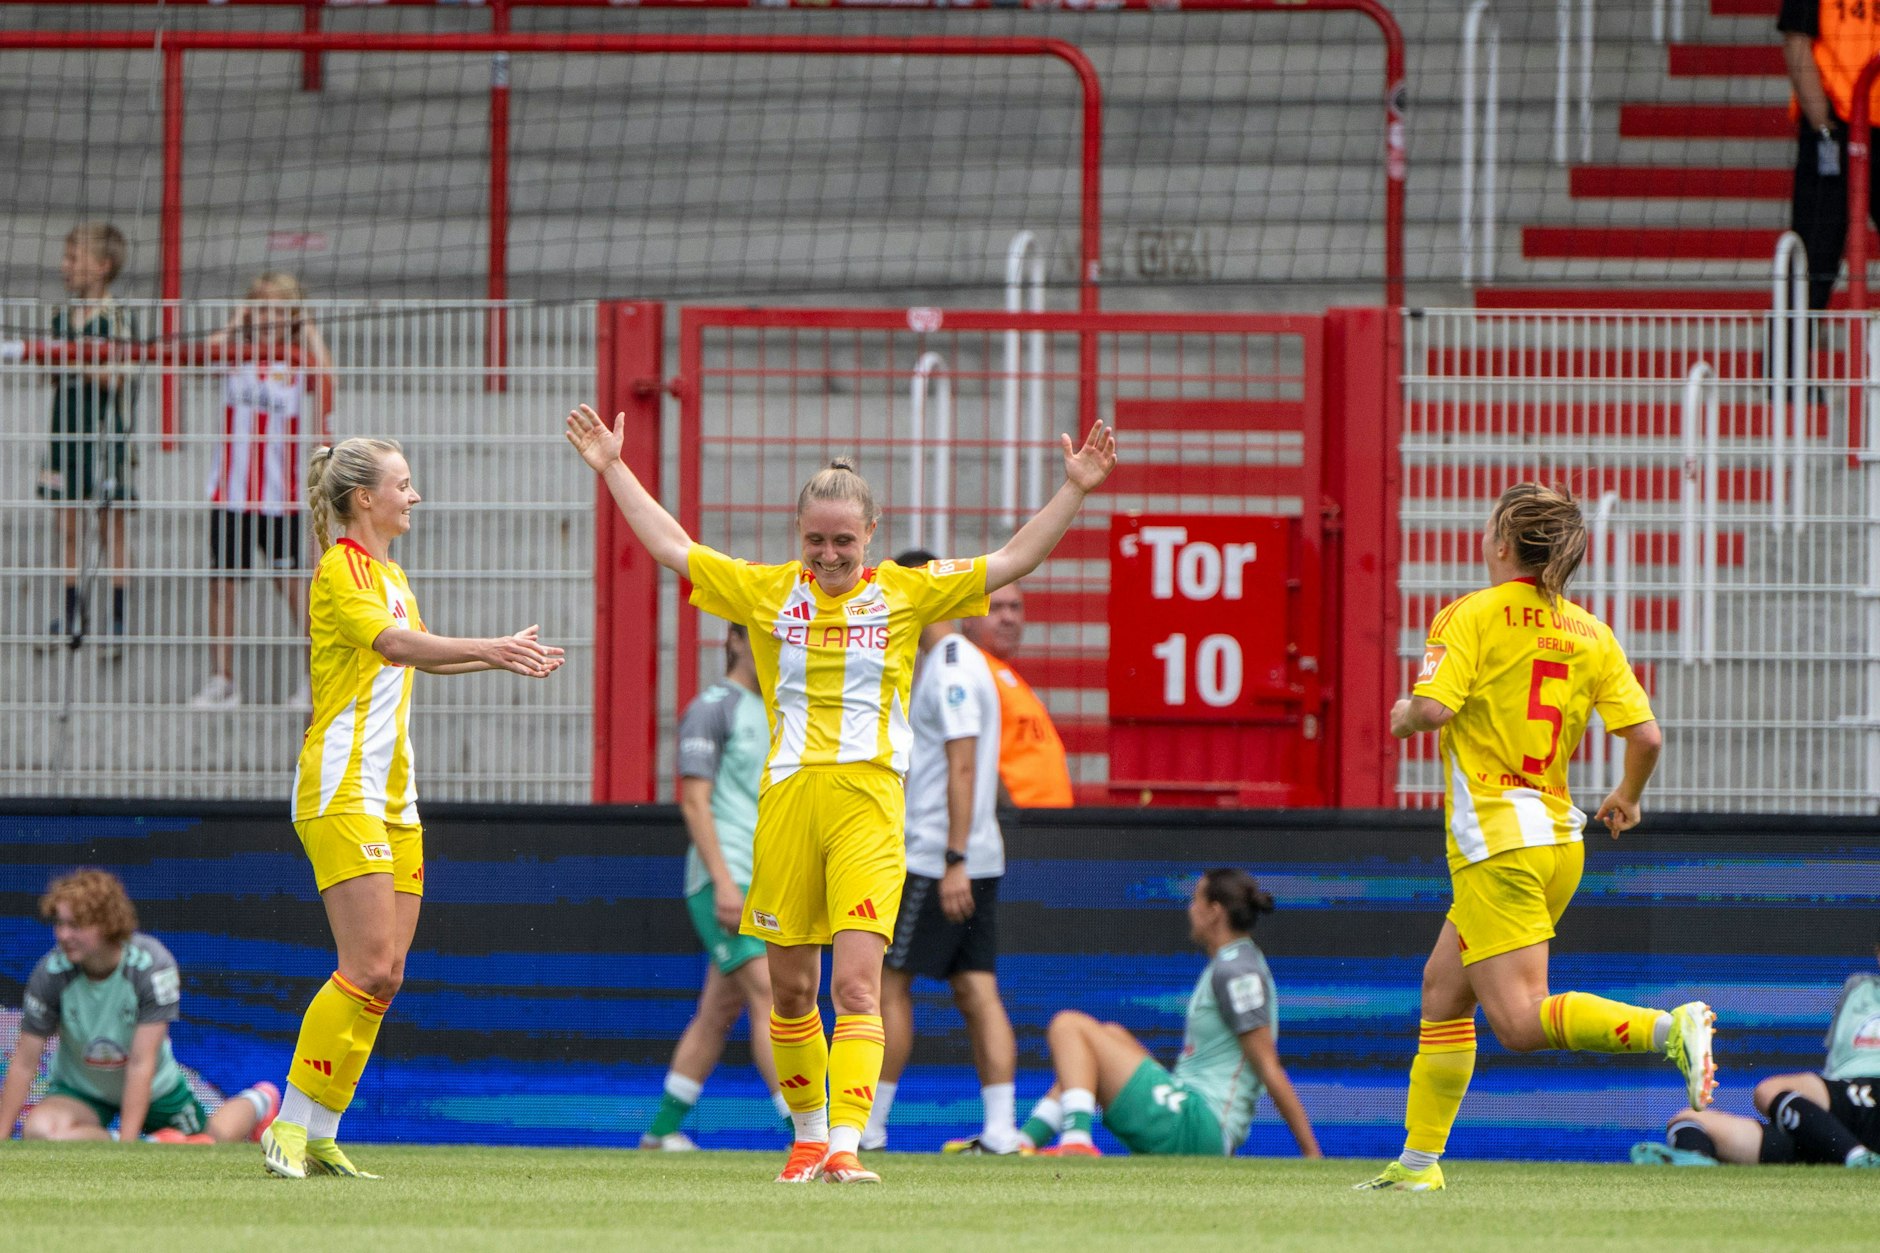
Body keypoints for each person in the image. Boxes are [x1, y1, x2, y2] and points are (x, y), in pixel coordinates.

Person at [564, 402, 1116, 1184]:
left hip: (869, 808)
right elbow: (672, 546)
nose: (829, 555)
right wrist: (614, 467)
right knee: (792, 992)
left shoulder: (907, 593)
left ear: (871, 535)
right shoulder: (764, 592)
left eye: (844, 541)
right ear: (799, 535)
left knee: (858, 983)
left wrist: (1076, 488)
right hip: (788, 806)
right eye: (816, 540)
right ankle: (808, 1138)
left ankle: (848, 1145)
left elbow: (1013, 558)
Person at [1356, 482, 1713, 1194]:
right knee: (1442, 990)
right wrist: (1627, 797)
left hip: (1498, 843)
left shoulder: (1469, 614)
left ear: (1500, 542)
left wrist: (1403, 716)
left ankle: (1668, 1028)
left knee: (1519, 1022)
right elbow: (1646, 736)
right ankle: (1419, 1166)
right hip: (1557, 841)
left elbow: (1432, 709)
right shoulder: (1589, 631)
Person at [262, 437, 564, 1180]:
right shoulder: (340, 568)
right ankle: (287, 1125)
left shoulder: (392, 574)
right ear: (365, 498)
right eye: (403, 484)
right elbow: (397, 643)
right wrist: (490, 646)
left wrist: (498, 655)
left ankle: (321, 1130)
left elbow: (417, 648)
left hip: (394, 796)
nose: (414, 496)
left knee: (388, 973)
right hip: (341, 789)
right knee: (364, 963)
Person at [864, 548, 1021, 1156]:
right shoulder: (954, 662)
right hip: (975, 855)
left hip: (938, 857)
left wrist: (954, 859)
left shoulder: (951, 666)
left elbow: (963, 764)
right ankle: (1001, 1130)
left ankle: (870, 1127)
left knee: (888, 983)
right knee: (976, 988)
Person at [1017, 868, 1319, 1160]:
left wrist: (1311, 1152)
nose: (1190, 909)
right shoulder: (1233, 961)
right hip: (1193, 1118)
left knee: (1068, 1026)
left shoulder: (1237, 971)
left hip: (1202, 1128)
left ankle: (1076, 1143)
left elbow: (1267, 1065)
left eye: (1196, 900)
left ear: (1214, 912)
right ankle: (1023, 1144)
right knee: (1106, 1037)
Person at [643, 623, 793, 1150]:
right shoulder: (712, 707)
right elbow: (694, 802)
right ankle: (805, 1133)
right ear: (733, 640)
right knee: (772, 995)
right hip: (724, 879)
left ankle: (661, 1132)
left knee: (717, 1012)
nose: (773, 644)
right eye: (761, 634)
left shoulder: (782, 708)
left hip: (766, 880)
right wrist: (725, 884)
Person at [0, 869, 280, 1145]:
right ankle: (156, 1144)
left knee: (210, 1142)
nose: (63, 935)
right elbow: (25, 1062)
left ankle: (260, 1100)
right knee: (39, 1131)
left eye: (75, 925)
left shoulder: (152, 966)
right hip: (82, 1089)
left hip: (155, 1088)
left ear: (107, 923)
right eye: (59, 924)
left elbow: (140, 1062)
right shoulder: (50, 972)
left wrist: (128, 1147)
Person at [192, 271, 334, 710]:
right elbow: (201, 355)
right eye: (260, 308)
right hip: (231, 495)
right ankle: (223, 680)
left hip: (280, 498)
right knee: (223, 586)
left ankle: (315, 681)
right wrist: (238, 321)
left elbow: (328, 376)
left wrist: (307, 328)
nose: (268, 317)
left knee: (296, 589)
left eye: (278, 309)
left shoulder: (295, 363)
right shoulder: (235, 356)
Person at [1633, 936, 1880, 1169]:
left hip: (1869, 1095)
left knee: (1770, 1089)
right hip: (1834, 1124)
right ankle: (1697, 1169)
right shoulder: (1859, 989)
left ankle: (1858, 1159)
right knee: (1689, 1120)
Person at [37, 223, 136, 649]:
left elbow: (117, 377)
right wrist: (52, 360)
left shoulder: (117, 317)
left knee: (111, 528)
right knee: (67, 527)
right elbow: (49, 373)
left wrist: (77, 360)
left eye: (72, 258)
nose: (64, 266)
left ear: (101, 266)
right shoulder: (60, 317)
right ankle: (71, 614)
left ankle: (117, 620)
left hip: (105, 438)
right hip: (65, 435)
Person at [1780, 1, 1880, 311]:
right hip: (1835, 125)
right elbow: (1796, 40)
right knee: (1814, 258)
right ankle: (1792, 340)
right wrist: (1823, 125)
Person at [960, 582, 1072, 807]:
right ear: (967, 617)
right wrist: (1008, 814)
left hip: (1042, 820)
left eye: (1015, 607)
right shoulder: (967, 671)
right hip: (1016, 821)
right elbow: (965, 757)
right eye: (995, 608)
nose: (1008, 618)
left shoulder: (1003, 674)